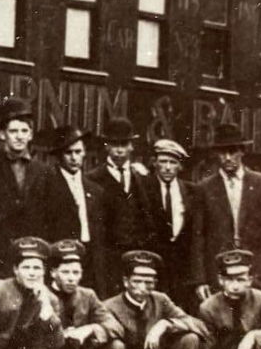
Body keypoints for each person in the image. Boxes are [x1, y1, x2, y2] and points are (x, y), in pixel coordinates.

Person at [195, 121, 261, 297]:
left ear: (242, 151)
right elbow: (198, 237)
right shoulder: (204, 188)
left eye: (232, 151)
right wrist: (200, 280)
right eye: (222, 152)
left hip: (257, 272)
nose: (227, 158)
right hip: (219, 274)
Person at [25, 126, 115, 296]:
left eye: (78, 152)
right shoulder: (45, 185)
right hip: (60, 258)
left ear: (84, 153)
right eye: (68, 153)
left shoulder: (94, 189)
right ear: (60, 155)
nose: (74, 158)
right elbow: (37, 226)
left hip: (90, 260)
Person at [0, 97, 52, 284]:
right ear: (2, 135)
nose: (19, 136)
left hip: (31, 257)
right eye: (13, 131)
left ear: (31, 135)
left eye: (24, 131)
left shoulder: (44, 171)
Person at [131, 139, 206, 311]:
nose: (167, 167)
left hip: (181, 270)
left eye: (173, 162)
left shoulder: (192, 191)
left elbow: (196, 234)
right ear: (155, 163)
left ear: (180, 166)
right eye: (163, 162)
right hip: (153, 266)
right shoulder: (143, 188)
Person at [91, 116, 150, 265]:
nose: (119, 150)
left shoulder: (142, 178)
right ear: (106, 146)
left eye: (124, 144)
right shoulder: (93, 178)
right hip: (108, 258)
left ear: (132, 146)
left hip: (136, 257)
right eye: (114, 144)